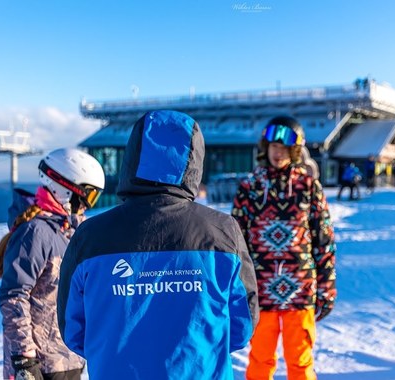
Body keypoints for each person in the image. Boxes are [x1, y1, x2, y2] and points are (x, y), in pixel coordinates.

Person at [57, 110, 259, 380]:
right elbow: (242, 324)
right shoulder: (222, 232)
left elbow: (73, 329)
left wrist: (114, 355)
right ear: (194, 162)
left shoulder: (90, 236)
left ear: (132, 158)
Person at [232, 115, 337, 380]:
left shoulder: (309, 187)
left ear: (296, 151)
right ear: (264, 148)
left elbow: (323, 240)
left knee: (300, 362)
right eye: (273, 147)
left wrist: (327, 286)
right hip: (261, 288)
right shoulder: (250, 187)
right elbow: (236, 241)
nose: (278, 153)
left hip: (300, 288)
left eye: (285, 148)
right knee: (260, 359)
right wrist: (237, 285)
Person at [0, 148, 105, 380]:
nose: (88, 205)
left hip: (66, 359)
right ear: (65, 189)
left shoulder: (69, 233)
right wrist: (24, 358)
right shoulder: (35, 232)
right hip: (40, 366)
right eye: (88, 196)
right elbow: (13, 296)